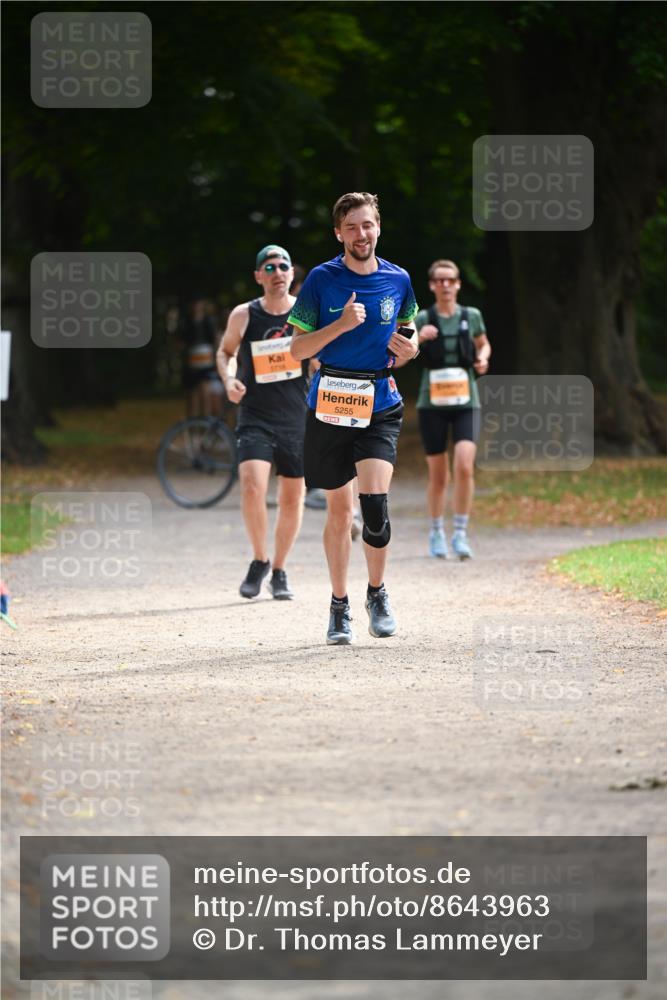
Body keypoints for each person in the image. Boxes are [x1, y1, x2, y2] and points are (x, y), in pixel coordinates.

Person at [289, 192, 418, 645]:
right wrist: (340, 325)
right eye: (351, 228)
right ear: (338, 234)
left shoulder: (398, 279)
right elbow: (297, 349)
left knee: (375, 509)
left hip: (379, 401)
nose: (360, 235)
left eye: (367, 225)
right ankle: (339, 605)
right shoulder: (322, 280)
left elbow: (407, 327)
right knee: (341, 514)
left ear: (378, 227)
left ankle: (377, 594)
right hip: (331, 403)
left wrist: (412, 346)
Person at [217, 246, 307, 600]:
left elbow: (320, 356)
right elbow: (226, 352)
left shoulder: (306, 313)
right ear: (258, 276)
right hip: (255, 414)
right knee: (252, 485)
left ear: (291, 273)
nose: (277, 272)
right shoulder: (244, 315)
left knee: (291, 498)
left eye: (283, 266)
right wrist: (228, 380)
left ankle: (280, 570)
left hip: (297, 417)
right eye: (269, 267)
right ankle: (259, 560)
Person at [415, 259, 491, 560]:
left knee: (463, 464)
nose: (445, 285)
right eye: (439, 280)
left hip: (466, 400)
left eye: (450, 280)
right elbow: (403, 353)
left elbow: (483, 344)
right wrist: (419, 338)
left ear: (458, 284)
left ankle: (460, 532)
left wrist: (483, 358)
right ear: (432, 285)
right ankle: (436, 531)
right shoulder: (423, 317)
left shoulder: (471, 315)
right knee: (438, 475)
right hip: (431, 402)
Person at [180, 298, 225, 417]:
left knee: (206, 393)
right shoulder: (187, 322)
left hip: (206, 362)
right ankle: (193, 425)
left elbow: (214, 340)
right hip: (192, 364)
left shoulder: (208, 322)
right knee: (193, 395)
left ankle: (206, 423)